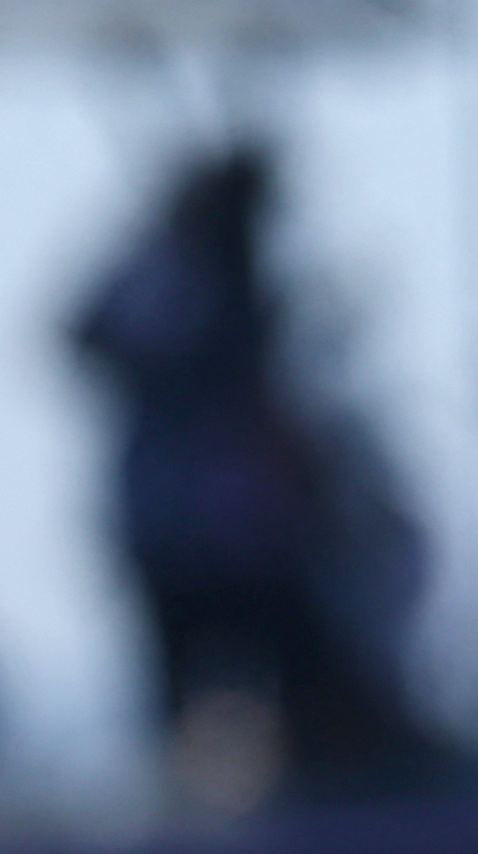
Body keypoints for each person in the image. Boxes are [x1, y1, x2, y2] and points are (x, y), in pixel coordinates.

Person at [65, 141, 433, 807]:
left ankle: (314, 795)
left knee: (299, 672)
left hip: (250, 539)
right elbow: (81, 334)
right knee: (187, 687)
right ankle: (192, 809)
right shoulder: (168, 276)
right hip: (181, 537)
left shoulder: (248, 279)